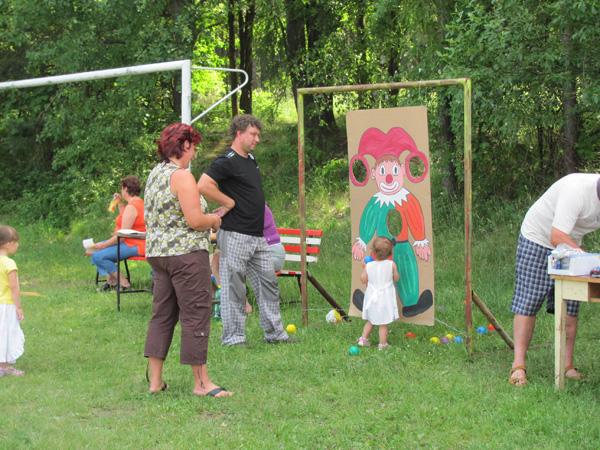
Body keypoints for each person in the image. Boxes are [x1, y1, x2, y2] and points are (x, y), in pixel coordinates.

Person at [143, 123, 231, 398]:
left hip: (159, 255)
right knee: (195, 314)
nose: (194, 153)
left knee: (161, 315)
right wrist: (213, 219)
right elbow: (194, 220)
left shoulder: (155, 174)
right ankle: (202, 384)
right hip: (186, 256)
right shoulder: (182, 177)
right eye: (193, 147)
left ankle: (155, 382)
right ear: (184, 146)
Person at [198, 114, 289, 346]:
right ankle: (233, 338)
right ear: (239, 133)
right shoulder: (226, 161)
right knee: (234, 287)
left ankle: (275, 334)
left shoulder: (251, 159)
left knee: (268, 283)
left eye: (258, 135)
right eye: (253, 134)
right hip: (235, 234)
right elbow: (203, 184)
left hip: (257, 236)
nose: (257, 139)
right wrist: (228, 202)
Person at [509, 173, 600, 386]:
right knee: (529, 301)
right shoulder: (576, 190)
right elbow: (556, 236)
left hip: (571, 241)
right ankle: (518, 366)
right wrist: (587, 258)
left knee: (570, 306)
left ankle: (567, 366)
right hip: (538, 238)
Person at [210, 203, 286, 316]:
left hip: (271, 254)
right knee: (214, 259)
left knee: (229, 263)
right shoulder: (240, 207)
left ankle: (243, 305)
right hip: (254, 253)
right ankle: (221, 302)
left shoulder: (257, 207)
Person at [86, 176, 146, 290]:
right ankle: (112, 281)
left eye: (121, 188)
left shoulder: (132, 206)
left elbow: (123, 235)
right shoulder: (136, 203)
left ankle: (123, 282)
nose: (121, 191)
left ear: (125, 189)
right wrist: (119, 203)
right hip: (130, 241)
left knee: (98, 256)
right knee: (92, 250)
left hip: (135, 244)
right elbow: (125, 219)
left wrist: (104, 245)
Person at [356, 237, 400, 350]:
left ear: (374, 252)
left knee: (371, 320)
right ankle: (383, 344)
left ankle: (363, 339)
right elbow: (396, 278)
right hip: (385, 298)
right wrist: (394, 274)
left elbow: (363, 280)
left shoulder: (369, 265)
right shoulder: (391, 264)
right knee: (383, 323)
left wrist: (364, 268)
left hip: (372, 297)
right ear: (390, 253)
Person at [0, 225, 25, 376]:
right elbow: (14, 287)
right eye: (15, 242)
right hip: (6, 305)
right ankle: (4, 366)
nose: (17, 245)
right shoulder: (9, 263)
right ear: (8, 243)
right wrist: (18, 307)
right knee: (6, 333)